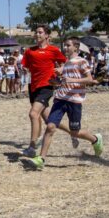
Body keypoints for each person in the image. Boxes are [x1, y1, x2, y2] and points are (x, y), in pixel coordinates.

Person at [20, 37, 104, 170]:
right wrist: (56, 83)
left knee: (75, 132)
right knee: (50, 126)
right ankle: (41, 159)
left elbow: (89, 79)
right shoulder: (65, 64)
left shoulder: (81, 62)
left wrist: (69, 79)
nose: (65, 48)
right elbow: (64, 82)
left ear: (76, 47)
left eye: (68, 46)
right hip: (60, 99)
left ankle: (95, 139)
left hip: (74, 101)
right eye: (64, 46)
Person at [20, 25, 69, 158]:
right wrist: (24, 69)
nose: (37, 34)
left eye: (40, 32)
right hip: (34, 87)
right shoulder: (30, 51)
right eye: (36, 32)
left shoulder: (53, 50)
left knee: (33, 114)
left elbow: (66, 63)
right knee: (50, 120)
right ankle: (75, 134)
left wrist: (61, 69)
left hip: (46, 86)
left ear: (47, 35)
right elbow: (26, 66)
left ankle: (32, 147)